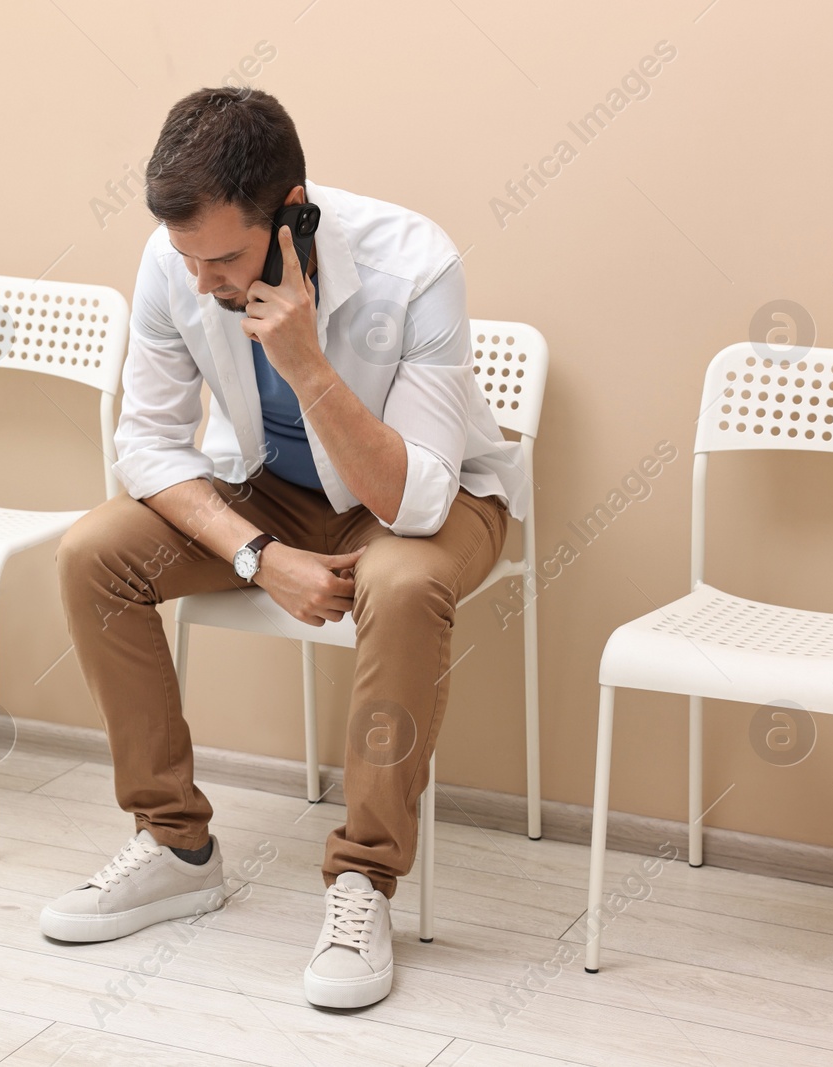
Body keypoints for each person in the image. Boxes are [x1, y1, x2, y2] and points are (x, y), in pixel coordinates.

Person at [40, 86, 529, 1010]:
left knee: (408, 581)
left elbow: (417, 499)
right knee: (94, 550)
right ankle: (177, 847)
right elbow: (144, 446)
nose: (202, 281)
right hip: (271, 492)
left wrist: (307, 362)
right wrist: (260, 556)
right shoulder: (175, 258)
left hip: (431, 496)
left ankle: (363, 880)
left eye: (223, 256)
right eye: (188, 256)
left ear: (291, 209)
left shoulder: (414, 263)